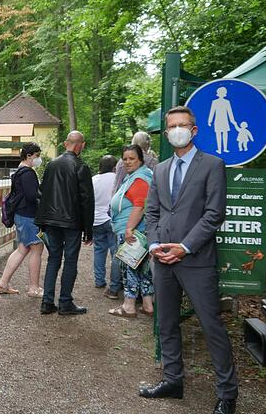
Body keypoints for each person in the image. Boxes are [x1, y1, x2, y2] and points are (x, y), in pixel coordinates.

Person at [140, 106, 238, 414]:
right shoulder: (160, 169)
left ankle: (227, 393)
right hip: (162, 259)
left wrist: (185, 246)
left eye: (183, 125)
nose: (177, 130)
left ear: (194, 130)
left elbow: (214, 214)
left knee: (211, 326)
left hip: (196, 259)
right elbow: (153, 211)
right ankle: (173, 379)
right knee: (166, 323)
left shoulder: (212, 165)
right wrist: (155, 244)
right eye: (172, 126)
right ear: (166, 133)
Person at [35, 130, 94, 315]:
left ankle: (47, 302)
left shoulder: (51, 164)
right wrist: (88, 229)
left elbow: (43, 192)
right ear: (81, 145)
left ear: (65, 143)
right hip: (71, 222)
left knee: (53, 259)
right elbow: (87, 200)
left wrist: (42, 221)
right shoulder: (80, 166)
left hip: (51, 220)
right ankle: (65, 302)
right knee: (70, 261)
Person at [107, 145, 154, 318]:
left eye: (132, 158)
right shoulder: (136, 176)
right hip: (138, 232)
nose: (127, 162)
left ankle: (129, 306)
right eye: (125, 158)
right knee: (143, 269)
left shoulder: (140, 178)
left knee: (129, 269)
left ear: (140, 159)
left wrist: (129, 229)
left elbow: (140, 205)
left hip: (133, 233)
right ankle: (148, 305)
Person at [0, 142, 44, 297]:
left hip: (21, 216)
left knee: (23, 248)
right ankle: (33, 288)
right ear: (29, 155)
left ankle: (3, 283)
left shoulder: (19, 171)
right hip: (29, 216)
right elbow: (32, 196)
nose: (38, 159)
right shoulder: (28, 173)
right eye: (37, 155)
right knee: (37, 249)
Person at [92, 155, 119, 297]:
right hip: (111, 219)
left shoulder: (94, 180)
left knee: (99, 250)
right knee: (116, 252)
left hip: (96, 220)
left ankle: (99, 280)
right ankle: (115, 284)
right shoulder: (117, 178)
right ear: (114, 167)